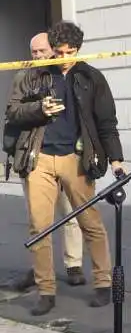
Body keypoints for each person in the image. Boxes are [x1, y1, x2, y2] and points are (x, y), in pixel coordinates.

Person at [5, 21, 124, 316]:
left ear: (78, 49)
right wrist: (39, 110)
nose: (64, 57)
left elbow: (107, 122)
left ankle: (103, 283)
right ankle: (46, 291)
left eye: (70, 51)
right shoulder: (34, 75)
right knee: (40, 227)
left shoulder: (91, 77)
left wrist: (116, 160)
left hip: (76, 157)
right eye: (59, 51)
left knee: (89, 222)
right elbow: (13, 112)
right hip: (40, 158)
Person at [7, 32, 86, 292]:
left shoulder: (68, 75)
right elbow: (13, 112)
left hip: (67, 154)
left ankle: (74, 264)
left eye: (43, 51)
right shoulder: (24, 77)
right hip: (35, 155)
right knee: (39, 221)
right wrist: (39, 108)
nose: (38, 56)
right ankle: (41, 269)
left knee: (72, 212)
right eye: (34, 52)